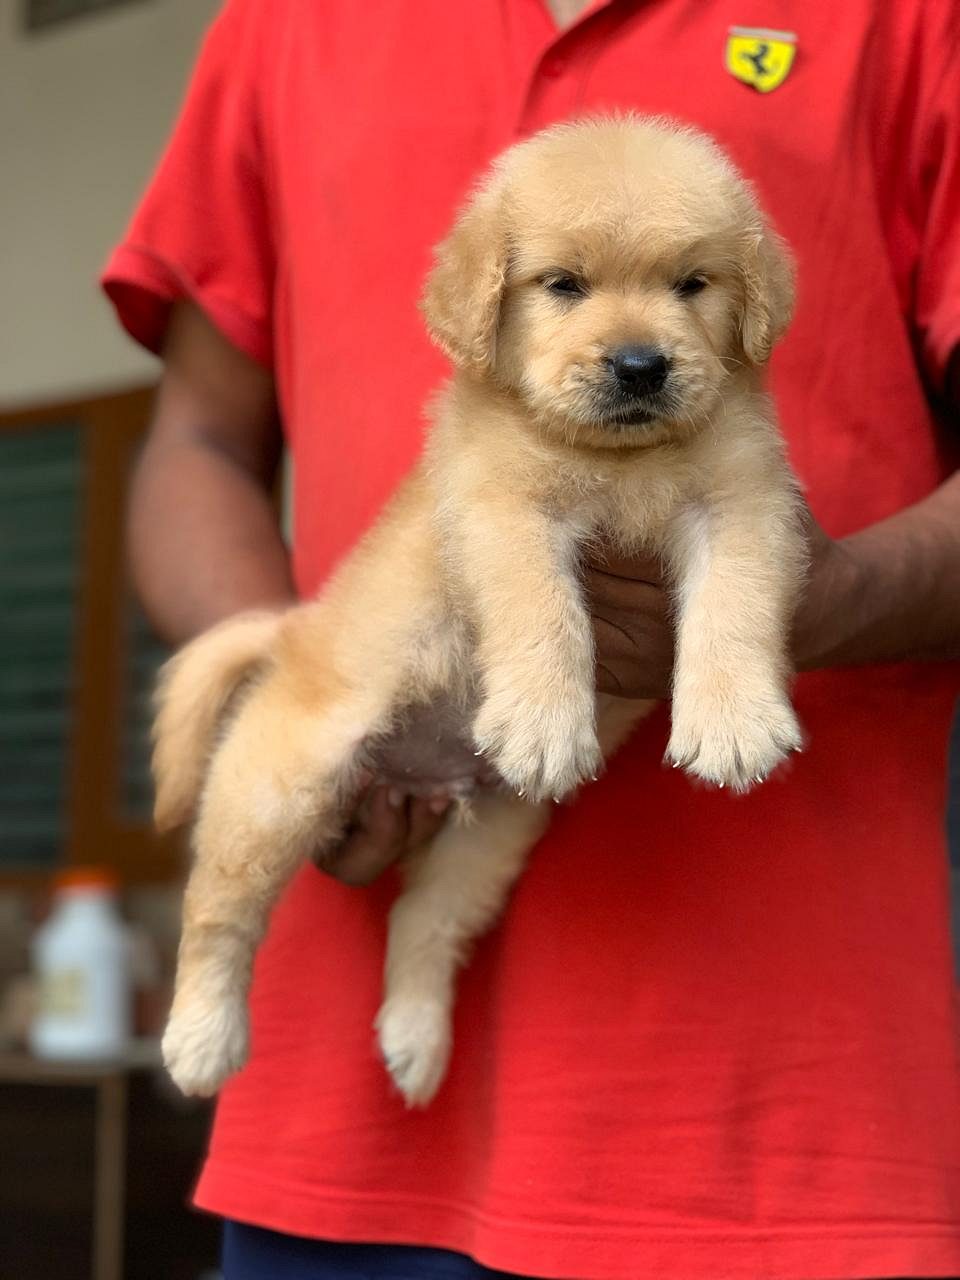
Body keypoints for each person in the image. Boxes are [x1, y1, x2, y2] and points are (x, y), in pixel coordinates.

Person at [102, 2, 960, 1277]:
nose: (630, 336)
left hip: (795, 1103)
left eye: (685, 285)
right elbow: (198, 440)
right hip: (337, 1128)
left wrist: (804, 607)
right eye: (567, 284)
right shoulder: (281, 22)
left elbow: (743, 506)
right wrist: (304, 690)